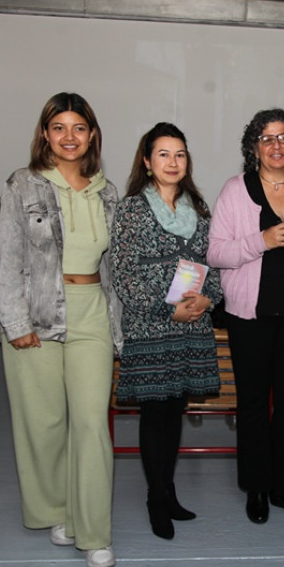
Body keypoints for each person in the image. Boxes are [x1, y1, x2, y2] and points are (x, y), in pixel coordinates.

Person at [0, 92, 121, 567]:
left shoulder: (107, 192)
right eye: (59, 127)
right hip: (38, 310)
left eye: (79, 128)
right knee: (45, 423)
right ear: (45, 134)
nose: (69, 137)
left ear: (92, 135)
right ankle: (58, 511)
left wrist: (120, 325)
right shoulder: (22, 185)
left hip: (92, 312)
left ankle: (94, 532)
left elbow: (113, 268)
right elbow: (11, 257)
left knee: (91, 422)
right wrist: (15, 322)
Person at [208, 108, 284, 525]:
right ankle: (256, 487)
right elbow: (215, 252)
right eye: (267, 138)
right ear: (254, 147)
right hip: (249, 314)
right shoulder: (235, 189)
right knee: (254, 403)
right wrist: (262, 240)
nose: (277, 145)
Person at [109, 122, 222, 540]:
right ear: (146, 161)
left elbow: (215, 263)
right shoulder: (132, 209)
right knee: (155, 414)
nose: (172, 162)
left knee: (175, 411)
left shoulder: (200, 208)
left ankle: (168, 491)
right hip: (151, 327)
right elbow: (123, 274)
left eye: (179, 154)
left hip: (192, 326)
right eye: (163, 154)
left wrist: (208, 298)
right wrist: (167, 309)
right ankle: (156, 498)